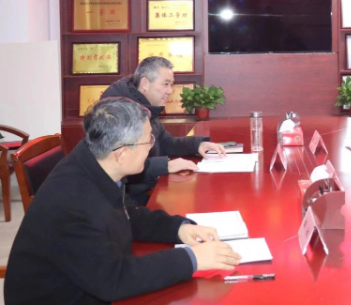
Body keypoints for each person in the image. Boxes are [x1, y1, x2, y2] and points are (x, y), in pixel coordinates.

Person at [4, 98, 241, 304]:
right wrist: (192, 259)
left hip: (89, 282)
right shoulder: (72, 203)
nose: (152, 146)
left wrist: (179, 228)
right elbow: (114, 279)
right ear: (122, 154)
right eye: (148, 140)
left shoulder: (95, 163)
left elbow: (127, 213)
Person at [101, 56, 226, 205]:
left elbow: (165, 142)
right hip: (125, 200)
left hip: (146, 191)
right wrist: (165, 165)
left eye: (171, 85)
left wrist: (197, 145)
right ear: (145, 84)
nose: (170, 91)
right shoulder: (117, 112)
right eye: (165, 84)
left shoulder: (145, 105)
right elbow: (118, 163)